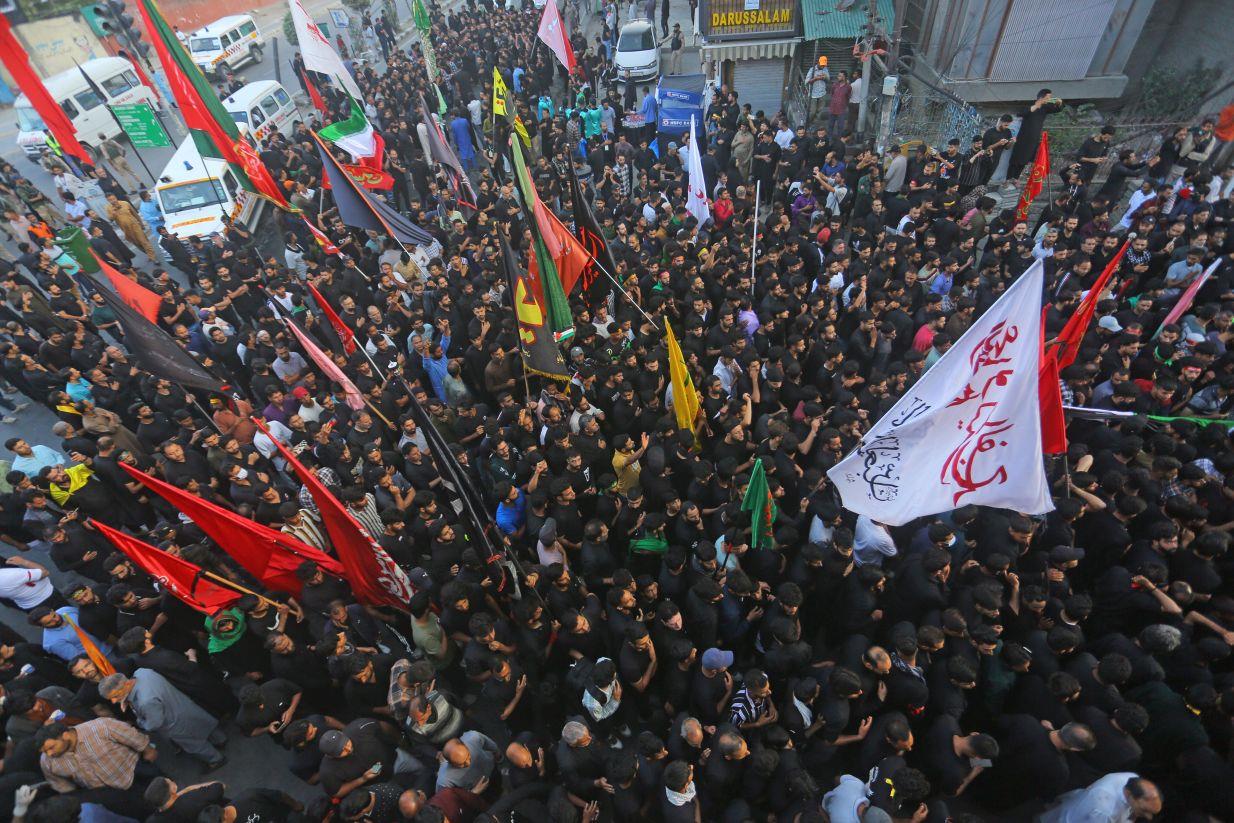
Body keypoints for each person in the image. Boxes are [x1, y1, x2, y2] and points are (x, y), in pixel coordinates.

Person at [97, 670, 227, 769]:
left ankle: (216, 760)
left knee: (196, 745)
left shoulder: (145, 701)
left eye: (115, 695)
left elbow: (153, 724)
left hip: (175, 725)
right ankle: (221, 740)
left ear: (126, 684)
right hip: (185, 706)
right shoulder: (142, 672)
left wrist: (140, 721)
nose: (114, 701)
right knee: (205, 726)